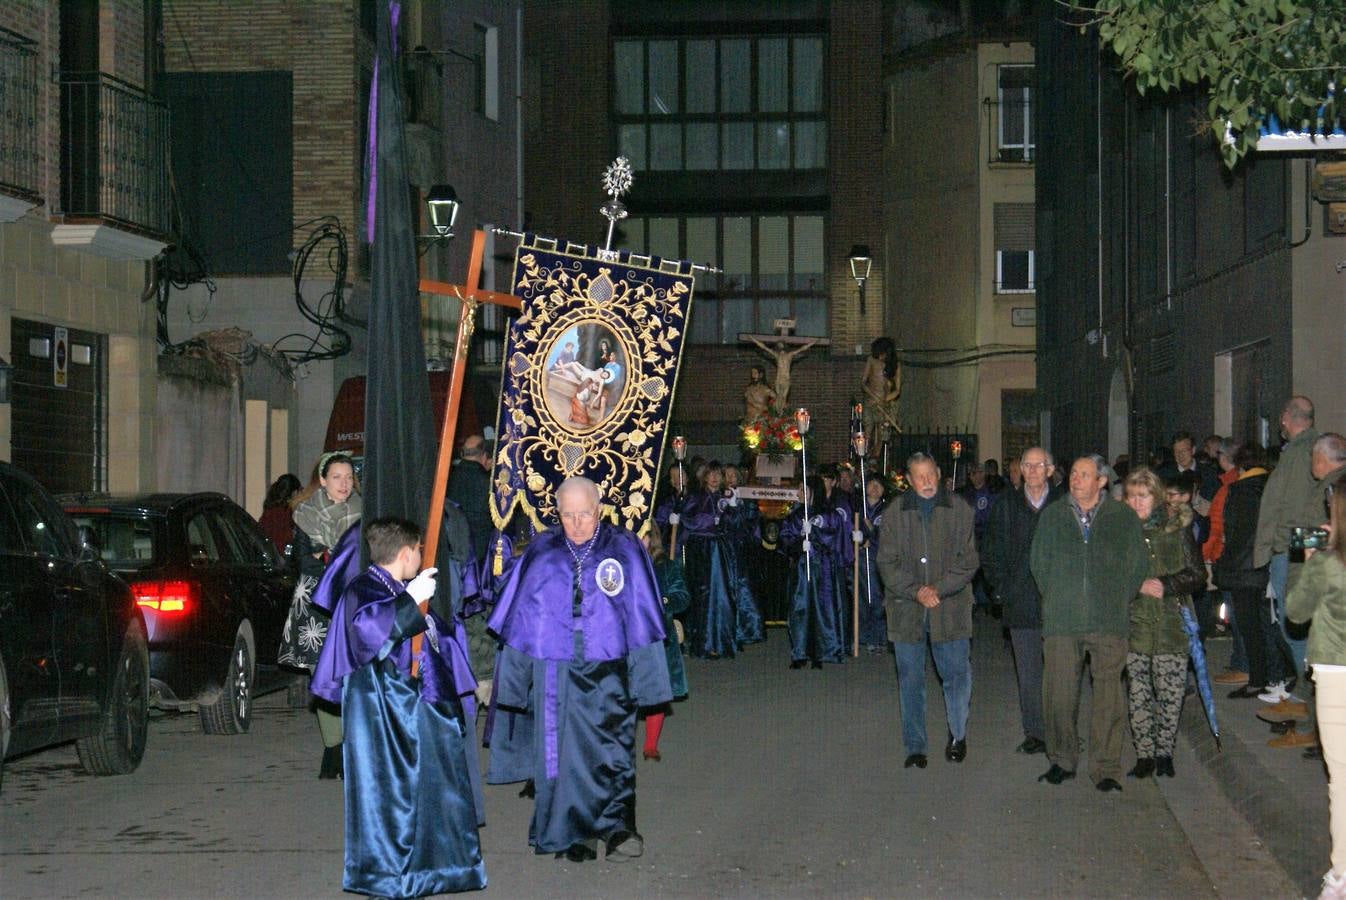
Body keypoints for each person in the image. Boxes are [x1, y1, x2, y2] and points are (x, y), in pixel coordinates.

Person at [487, 477, 671, 862]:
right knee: (559, 750)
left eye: (584, 514)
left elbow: (642, 617)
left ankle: (618, 828)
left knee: (614, 746)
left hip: (609, 663)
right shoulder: (543, 549)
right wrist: (513, 683)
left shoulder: (623, 548)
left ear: (599, 508)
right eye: (567, 515)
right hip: (555, 666)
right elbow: (521, 622)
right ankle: (570, 831)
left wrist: (649, 680)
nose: (576, 524)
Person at [309, 517, 486, 897]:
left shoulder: (394, 586)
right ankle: (388, 878)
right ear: (406, 553)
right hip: (383, 714)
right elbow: (372, 633)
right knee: (389, 799)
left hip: (411, 708)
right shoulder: (365, 588)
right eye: (419, 550)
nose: (421, 557)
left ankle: (424, 872)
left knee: (426, 793)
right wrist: (408, 604)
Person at [1030, 453, 1148, 792]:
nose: (1076, 479)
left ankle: (1106, 766)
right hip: (1062, 620)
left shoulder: (1122, 518)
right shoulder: (1052, 516)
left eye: (1084, 474)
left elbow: (1136, 565)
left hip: (1108, 620)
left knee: (1109, 696)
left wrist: (1115, 599)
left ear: (1101, 481)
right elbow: (1039, 565)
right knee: (1059, 694)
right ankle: (1062, 760)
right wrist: (1057, 597)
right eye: (1074, 473)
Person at [877, 452, 979, 768]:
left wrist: (938, 588)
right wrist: (915, 591)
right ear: (908, 480)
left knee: (956, 676)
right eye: (918, 477)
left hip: (950, 609)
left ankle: (957, 735)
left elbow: (968, 561)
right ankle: (915, 747)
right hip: (907, 611)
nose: (926, 482)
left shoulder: (959, 509)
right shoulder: (895, 513)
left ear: (939, 473)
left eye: (930, 474)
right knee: (911, 680)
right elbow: (887, 564)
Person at [279, 452, 362, 779]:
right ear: (323, 480)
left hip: (354, 600)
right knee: (324, 673)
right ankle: (334, 747)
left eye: (349, 477)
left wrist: (329, 554)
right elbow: (307, 562)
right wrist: (333, 557)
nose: (344, 484)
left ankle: (355, 745)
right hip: (317, 604)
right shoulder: (306, 514)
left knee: (354, 672)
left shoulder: (363, 513)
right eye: (337, 477)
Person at [1285, 472, 1346, 900]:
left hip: (1336, 673)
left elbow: (1296, 611)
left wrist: (1311, 561)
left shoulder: (1327, 562)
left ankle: (1341, 874)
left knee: (1341, 778)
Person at [1121, 468, 1204, 780]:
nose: (1137, 503)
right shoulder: (1121, 532)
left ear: (1155, 497)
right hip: (1134, 623)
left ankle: (1164, 752)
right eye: (1131, 496)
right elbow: (1109, 575)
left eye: (1143, 496)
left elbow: (1197, 574)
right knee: (1138, 693)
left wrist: (1166, 584)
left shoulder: (1176, 527)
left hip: (1171, 622)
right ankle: (1144, 755)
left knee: (1170, 693)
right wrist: (1134, 583)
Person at [1265, 432, 1346, 750]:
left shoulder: (1333, 487)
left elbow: (1324, 534)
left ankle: (1315, 728)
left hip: (1321, 581)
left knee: (1313, 655)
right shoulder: (1330, 484)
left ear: (1321, 458)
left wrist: (1294, 540)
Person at [982, 446, 1061, 755]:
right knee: (1028, 673)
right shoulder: (1007, 505)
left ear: (1050, 470)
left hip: (1059, 603)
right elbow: (992, 551)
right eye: (1026, 466)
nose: (1032, 472)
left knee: (1060, 673)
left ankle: (1060, 731)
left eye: (1038, 466)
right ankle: (1035, 733)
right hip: (1021, 601)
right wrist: (1002, 589)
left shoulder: (1063, 504)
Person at [1254, 396, 1320, 709]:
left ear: (1285, 418)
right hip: (1300, 549)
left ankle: (1308, 697)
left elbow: (1295, 513)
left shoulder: (1300, 452)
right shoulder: (1306, 449)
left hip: (1293, 551)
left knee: (1293, 625)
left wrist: (1282, 551)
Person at [1213, 443, 1274, 700]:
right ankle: (1270, 677)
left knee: (1250, 626)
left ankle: (1259, 679)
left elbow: (1238, 533)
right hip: (1263, 564)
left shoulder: (1243, 490)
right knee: (1264, 624)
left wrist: (1224, 563)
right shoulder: (1268, 485)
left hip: (1244, 568)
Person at [780, 475, 852, 668]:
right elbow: (784, 540)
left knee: (822, 609)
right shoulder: (794, 517)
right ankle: (799, 652)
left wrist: (816, 532)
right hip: (802, 569)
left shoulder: (827, 514)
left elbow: (834, 533)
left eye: (804, 490)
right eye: (799, 490)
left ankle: (820, 651)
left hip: (822, 569)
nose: (800, 493)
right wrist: (798, 544)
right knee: (800, 608)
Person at [681, 462, 745, 658]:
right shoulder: (696, 497)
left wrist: (733, 508)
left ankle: (722, 640)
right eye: (712, 474)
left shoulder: (726, 496)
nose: (715, 478)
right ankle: (703, 642)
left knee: (722, 593)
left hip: (721, 549)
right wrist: (710, 520)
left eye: (719, 474)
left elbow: (737, 525)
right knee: (703, 594)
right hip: (702, 549)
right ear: (705, 477)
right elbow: (688, 519)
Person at [641, 526, 689, 762]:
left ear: (652, 538)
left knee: (657, 690)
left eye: (643, 534)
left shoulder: (667, 567)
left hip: (659, 637)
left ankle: (651, 744)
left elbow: (682, 598)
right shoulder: (620, 565)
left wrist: (662, 600)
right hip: (629, 637)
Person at [721, 463, 765, 646]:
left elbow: (751, 522)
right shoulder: (719, 497)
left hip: (742, 549)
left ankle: (748, 629)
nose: (730, 478)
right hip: (725, 549)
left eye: (733, 475)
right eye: (727, 475)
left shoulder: (747, 497)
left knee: (745, 587)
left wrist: (738, 508)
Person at [856, 472, 890, 652]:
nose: (875, 488)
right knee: (860, 598)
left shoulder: (886, 510)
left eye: (879, 485)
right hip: (859, 557)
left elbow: (889, 535)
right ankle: (861, 635)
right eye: (872, 484)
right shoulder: (858, 507)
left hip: (877, 559)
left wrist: (873, 533)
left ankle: (878, 638)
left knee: (876, 598)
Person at [447, 435, 493, 566]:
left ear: (462, 454)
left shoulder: (447, 479)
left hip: (454, 550)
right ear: (484, 456)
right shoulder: (489, 484)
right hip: (483, 554)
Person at [861, 337, 901, 452]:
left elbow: (897, 390)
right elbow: (863, 382)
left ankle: (878, 457)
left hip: (885, 404)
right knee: (867, 431)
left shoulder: (895, 365)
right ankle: (864, 455)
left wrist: (884, 400)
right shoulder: (871, 361)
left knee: (882, 433)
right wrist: (872, 395)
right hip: (870, 401)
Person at [258, 473, 303, 557]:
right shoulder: (285, 514)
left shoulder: (270, 511)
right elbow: (286, 543)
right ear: (294, 493)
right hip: (280, 561)